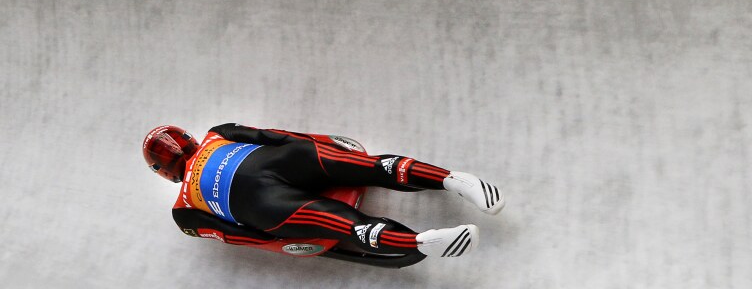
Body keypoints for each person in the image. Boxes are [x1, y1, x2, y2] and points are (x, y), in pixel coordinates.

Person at [142, 123, 505, 260]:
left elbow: (234, 235)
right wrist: (323, 146)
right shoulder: (218, 132)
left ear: (162, 172)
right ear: (188, 138)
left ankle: (422, 242)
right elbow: (275, 136)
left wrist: (279, 243)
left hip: (265, 205)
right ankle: (454, 180)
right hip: (285, 160)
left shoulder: (183, 213)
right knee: (372, 166)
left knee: (346, 226)